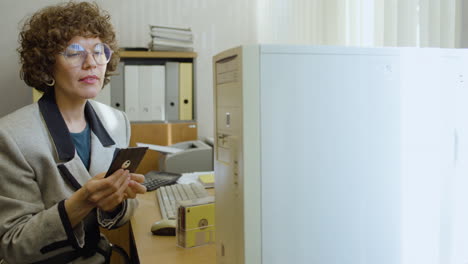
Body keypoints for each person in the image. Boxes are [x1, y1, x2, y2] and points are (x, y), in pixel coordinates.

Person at [0, 2, 146, 263]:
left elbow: (126, 209)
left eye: (99, 51)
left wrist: (115, 202)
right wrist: (82, 202)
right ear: (47, 66)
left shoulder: (117, 121)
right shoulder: (11, 135)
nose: (91, 63)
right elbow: (13, 245)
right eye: (74, 53)